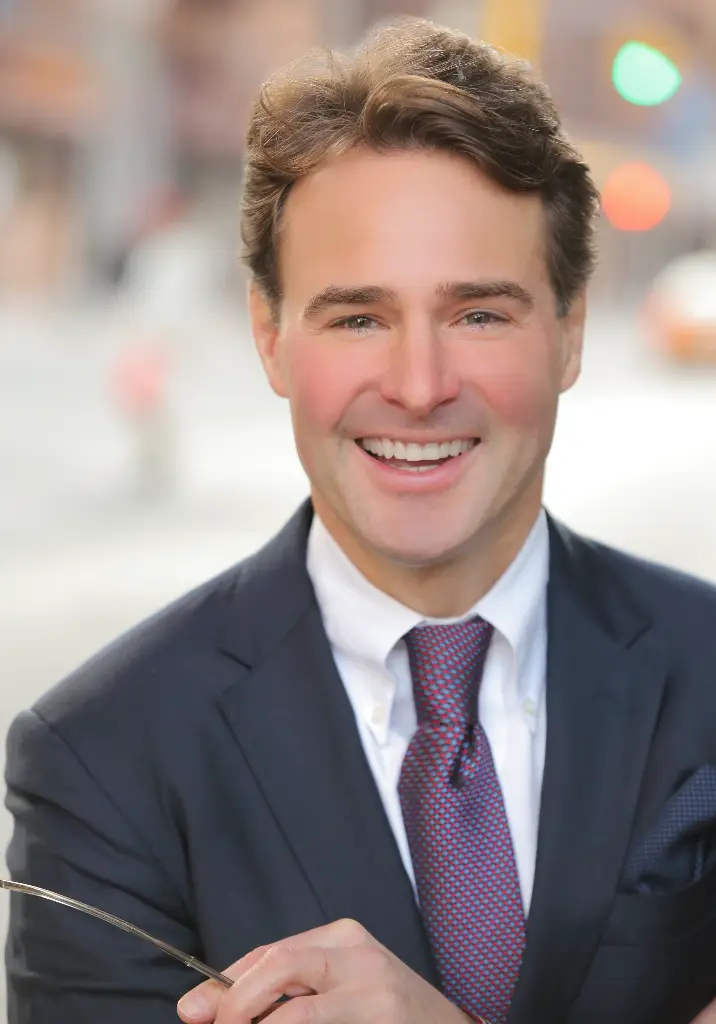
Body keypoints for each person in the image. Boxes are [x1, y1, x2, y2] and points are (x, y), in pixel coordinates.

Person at [6, 17, 716, 1024]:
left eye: (478, 313)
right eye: (356, 318)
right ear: (269, 338)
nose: (418, 386)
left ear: (567, 333)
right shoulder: (101, 759)